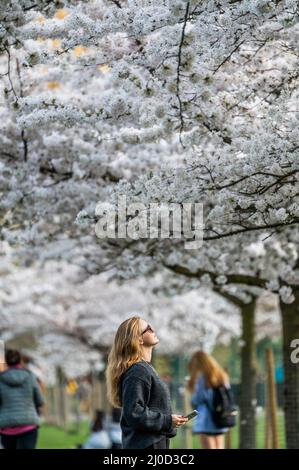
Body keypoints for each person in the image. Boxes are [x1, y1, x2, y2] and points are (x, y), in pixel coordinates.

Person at [106, 316, 188, 449]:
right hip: (147, 444)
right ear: (138, 339)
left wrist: (171, 422)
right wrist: (167, 421)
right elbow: (134, 412)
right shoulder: (138, 370)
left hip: (153, 441)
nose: (153, 329)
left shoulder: (144, 368)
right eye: (148, 329)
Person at [0, 349, 44, 449]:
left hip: (7, 427)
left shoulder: (0, 379)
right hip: (28, 424)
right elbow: (40, 400)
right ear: (20, 361)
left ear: (6, 362)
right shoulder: (30, 376)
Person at [187, 350, 230, 449]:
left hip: (205, 418)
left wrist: (192, 397)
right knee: (219, 446)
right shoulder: (221, 375)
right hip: (220, 416)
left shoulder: (203, 377)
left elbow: (199, 398)